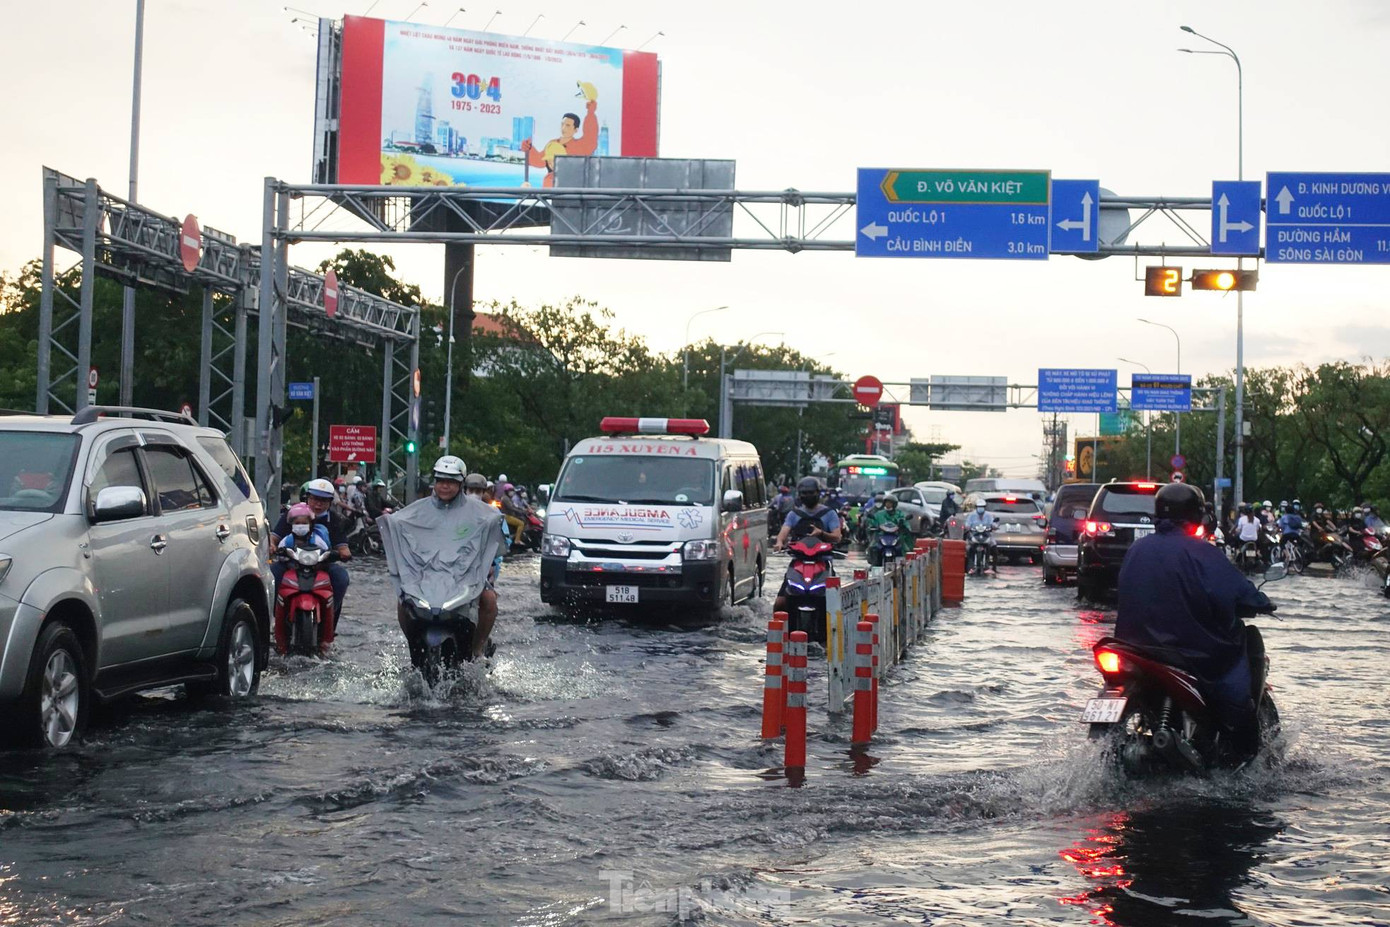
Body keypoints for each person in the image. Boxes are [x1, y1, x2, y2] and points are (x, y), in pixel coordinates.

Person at [1114, 482, 1274, 760]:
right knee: (1233, 677)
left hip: (1133, 645)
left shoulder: (1137, 548)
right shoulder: (1203, 553)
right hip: (1189, 651)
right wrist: (1261, 602)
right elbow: (1236, 590)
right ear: (1196, 515)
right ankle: (1239, 751)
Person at [392, 456, 501, 660]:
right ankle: (412, 642)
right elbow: (399, 528)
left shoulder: (480, 512)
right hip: (427, 574)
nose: (445, 486)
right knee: (403, 600)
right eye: (441, 480)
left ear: (461, 483)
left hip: (465, 574)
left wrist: (486, 562)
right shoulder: (418, 510)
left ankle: (477, 649)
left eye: (451, 481)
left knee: (489, 600)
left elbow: (493, 540)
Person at [270, 478, 351, 635]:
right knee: (272, 576)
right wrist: (272, 546)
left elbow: (343, 547)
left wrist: (342, 553)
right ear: (307, 498)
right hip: (290, 563)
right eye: (314, 499)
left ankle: (329, 619)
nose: (318, 504)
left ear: (330, 502)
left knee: (341, 578)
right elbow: (274, 537)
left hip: (322, 565)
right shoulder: (292, 513)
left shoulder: (335, 519)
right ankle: (275, 615)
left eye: (323, 500)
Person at [772, 477, 843, 614]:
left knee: (835, 604)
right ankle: (781, 627)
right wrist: (779, 543)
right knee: (780, 603)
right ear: (799, 495)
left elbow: (837, 536)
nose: (808, 496)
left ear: (818, 493)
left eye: (811, 493)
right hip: (798, 564)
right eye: (804, 493)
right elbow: (784, 532)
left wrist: (821, 533)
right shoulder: (794, 514)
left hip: (823, 563)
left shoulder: (829, 514)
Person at [520, 83, 599, 188]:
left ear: (576, 130)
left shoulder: (580, 146)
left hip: (568, 189)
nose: (564, 128)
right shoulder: (552, 144)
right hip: (549, 188)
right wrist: (529, 149)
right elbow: (539, 161)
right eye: (562, 124)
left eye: (568, 125)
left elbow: (591, 137)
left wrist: (590, 113)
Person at [866, 493, 911, 564]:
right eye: (887, 502)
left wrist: (904, 526)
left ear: (894, 504)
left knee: (906, 548)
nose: (888, 504)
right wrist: (872, 527)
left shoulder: (899, 514)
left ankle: (904, 564)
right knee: (872, 547)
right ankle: (874, 564)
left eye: (890, 503)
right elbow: (873, 522)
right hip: (881, 535)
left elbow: (905, 521)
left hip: (896, 535)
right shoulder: (879, 514)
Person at [963, 498, 997, 568]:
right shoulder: (972, 515)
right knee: (967, 548)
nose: (980, 508)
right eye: (979, 507)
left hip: (986, 534)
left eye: (982, 507)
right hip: (974, 534)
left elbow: (993, 523)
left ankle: (993, 567)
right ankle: (968, 566)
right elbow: (967, 524)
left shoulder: (989, 515)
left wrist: (994, 526)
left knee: (994, 548)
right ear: (976, 507)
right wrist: (967, 527)